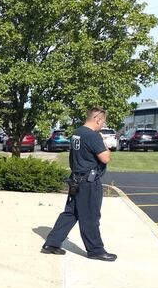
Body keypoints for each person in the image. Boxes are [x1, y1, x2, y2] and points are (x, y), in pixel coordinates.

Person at [42, 107, 116, 261]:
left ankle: (52, 243)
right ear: (98, 119)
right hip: (89, 182)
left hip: (76, 179)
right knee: (90, 216)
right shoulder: (93, 136)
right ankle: (95, 250)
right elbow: (105, 158)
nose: (102, 125)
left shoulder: (78, 132)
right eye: (103, 122)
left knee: (71, 213)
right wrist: (103, 141)